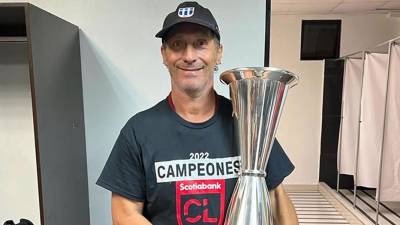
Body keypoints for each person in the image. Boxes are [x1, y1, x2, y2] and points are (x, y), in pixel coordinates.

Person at [97, 2, 298, 225]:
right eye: (177, 45)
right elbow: (125, 214)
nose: (189, 55)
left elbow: (277, 199)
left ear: (218, 52)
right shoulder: (138, 131)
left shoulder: (250, 124)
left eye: (200, 43)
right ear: (164, 54)